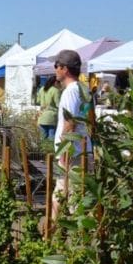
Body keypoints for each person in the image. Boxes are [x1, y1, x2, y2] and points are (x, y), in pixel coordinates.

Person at [53, 50, 93, 207]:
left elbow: (70, 122)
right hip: (83, 151)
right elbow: (91, 120)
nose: (55, 69)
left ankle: (53, 223)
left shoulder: (70, 91)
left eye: (56, 65)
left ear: (65, 69)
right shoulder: (84, 89)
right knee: (70, 195)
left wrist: (64, 151)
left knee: (68, 197)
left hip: (72, 153)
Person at [36, 75, 60, 140]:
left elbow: (38, 101)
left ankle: (43, 147)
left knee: (43, 138)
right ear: (55, 82)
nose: (60, 84)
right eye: (59, 83)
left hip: (42, 115)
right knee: (51, 137)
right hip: (51, 117)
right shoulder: (55, 90)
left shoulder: (41, 89)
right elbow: (58, 104)